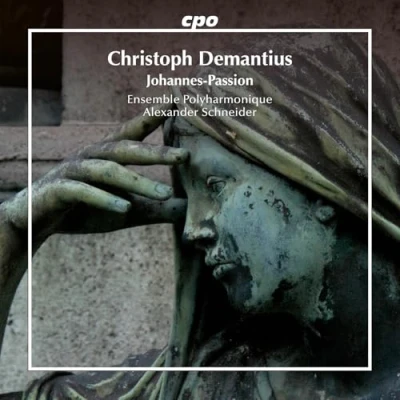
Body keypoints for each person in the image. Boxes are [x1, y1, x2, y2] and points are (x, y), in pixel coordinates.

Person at [0, 32, 399, 399]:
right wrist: (14, 234)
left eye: (215, 186)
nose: (192, 230)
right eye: (188, 197)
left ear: (324, 186)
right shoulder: (212, 381)